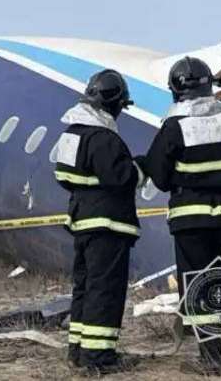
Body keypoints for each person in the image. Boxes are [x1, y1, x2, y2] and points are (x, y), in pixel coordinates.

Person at [139, 57, 221, 374]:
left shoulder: (175, 126)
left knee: (199, 285)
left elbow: (160, 177)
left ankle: (212, 359)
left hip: (191, 220)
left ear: (176, 90)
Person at [54, 70, 141, 375]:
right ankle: (98, 357)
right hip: (107, 226)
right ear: (114, 104)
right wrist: (139, 168)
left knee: (85, 287)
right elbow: (121, 178)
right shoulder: (104, 138)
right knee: (105, 290)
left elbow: (63, 176)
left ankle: (78, 350)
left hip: (82, 222)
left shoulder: (71, 134)